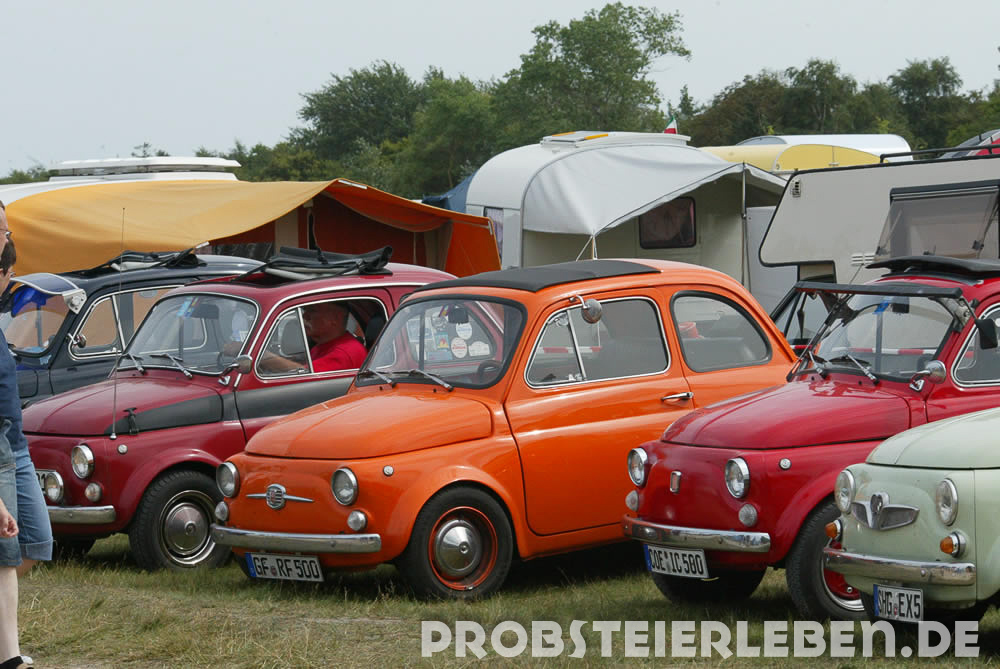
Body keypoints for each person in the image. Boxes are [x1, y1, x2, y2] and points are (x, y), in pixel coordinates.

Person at [0, 201, 50, 669]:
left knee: (35, 542)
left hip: (16, 445)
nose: (7, 235)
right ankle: (8, 655)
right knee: (5, 549)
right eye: (2, 230)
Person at [259, 301, 367, 373]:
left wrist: (264, 357)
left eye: (312, 310)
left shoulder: (345, 353)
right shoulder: (326, 344)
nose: (304, 316)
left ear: (335, 318)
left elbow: (302, 374)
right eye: (306, 311)